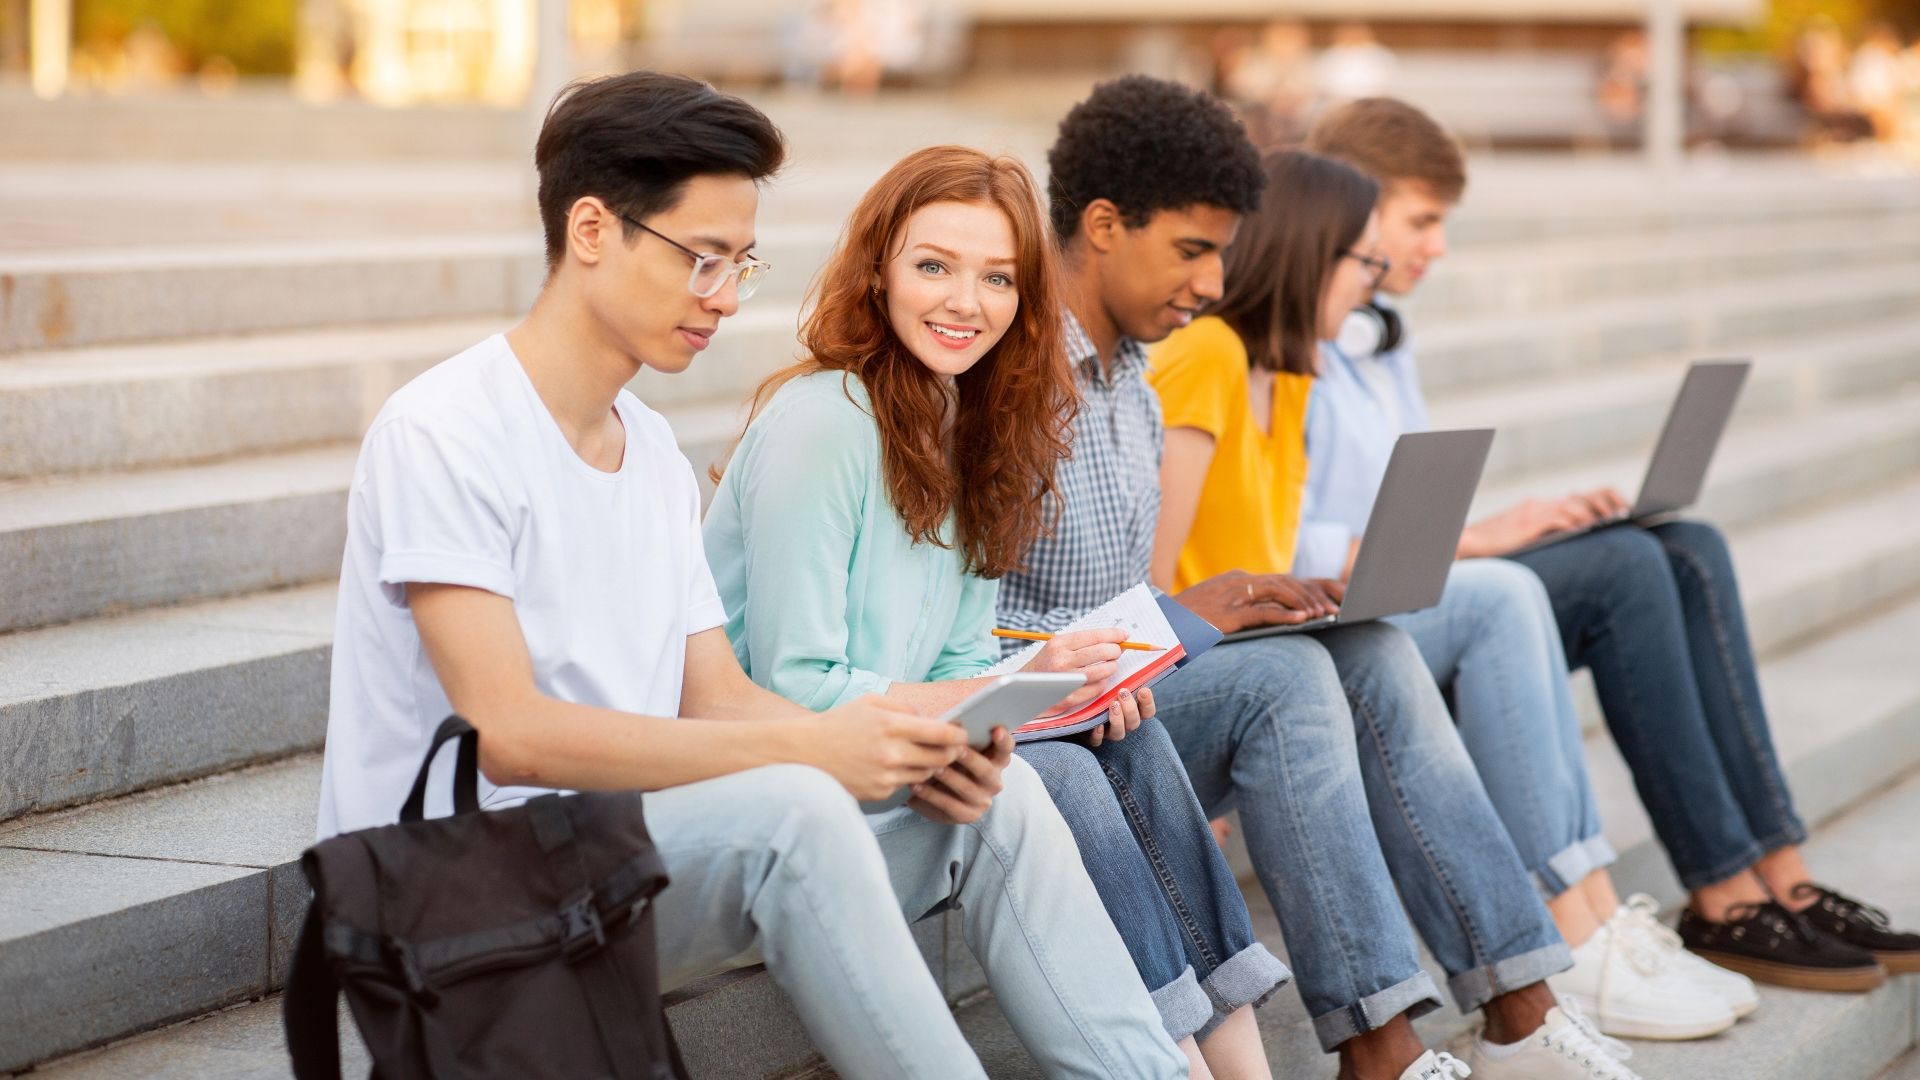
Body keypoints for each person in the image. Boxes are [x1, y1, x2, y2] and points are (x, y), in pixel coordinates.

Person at [315, 71, 1183, 1080]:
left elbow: (714, 695)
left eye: (741, 265)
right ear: (592, 229)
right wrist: (815, 749)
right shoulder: (447, 431)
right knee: (798, 809)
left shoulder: (647, 451)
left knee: (995, 803)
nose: (724, 298)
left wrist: (899, 745)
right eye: (702, 261)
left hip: (617, 856)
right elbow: (509, 736)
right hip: (450, 887)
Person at [999, 74, 1633, 1080]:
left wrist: (1212, 609)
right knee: (1294, 677)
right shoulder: (1020, 375)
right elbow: (980, 626)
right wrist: (1188, 618)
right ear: (1107, 225)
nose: (1212, 284)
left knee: (1368, 647)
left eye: (1222, 256)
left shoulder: (1129, 385)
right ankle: (1384, 1048)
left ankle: (1518, 1005)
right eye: (1195, 252)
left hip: (1122, 699)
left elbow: (1132, 606)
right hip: (1055, 722)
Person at [1301, 95, 1920, 996]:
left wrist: (1525, 521)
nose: (1437, 246)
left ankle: (1779, 875)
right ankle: (1720, 895)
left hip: (1429, 574)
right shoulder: (1295, 337)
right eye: (1422, 220)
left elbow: (1401, 510)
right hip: (1372, 604)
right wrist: (1486, 537)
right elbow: (1293, 537)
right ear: (1353, 208)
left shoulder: (1381, 333)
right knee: (1626, 572)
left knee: (1686, 545)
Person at [703, 143, 1283, 1077]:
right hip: (786, 782)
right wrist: (1023, 689)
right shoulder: (825, 421)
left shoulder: (969, 431)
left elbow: (954, 663)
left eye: (997, 278)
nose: (963, 302)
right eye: (933, 266)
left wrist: (1058, 682)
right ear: (879, 270)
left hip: (891, 760)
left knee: (1119, 733)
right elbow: (793, 684)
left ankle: (1232, 1063)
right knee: (1046, 777)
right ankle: (1160, 1058)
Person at [1146, 146, 1746, 1044]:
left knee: (1382, 645)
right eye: (1362, 261)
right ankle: (1481, 1007)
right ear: (1311, 254)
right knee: (1437, 627)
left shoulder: (1290, 373)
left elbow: (1261, 551)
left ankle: (1523, 1000)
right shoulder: (1206, 356)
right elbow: (1152, 585)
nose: (1373, 285)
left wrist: (1313, 593)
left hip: (1261, 641)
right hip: (1197, 661)